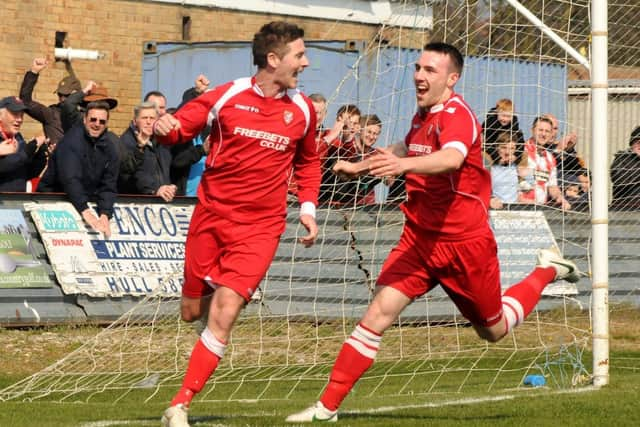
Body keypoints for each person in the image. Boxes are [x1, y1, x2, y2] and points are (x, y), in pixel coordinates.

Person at [286, 42, 580, 423]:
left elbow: (452, 157)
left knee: (494, 331)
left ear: (452, 78)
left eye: (430, 70)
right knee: (377, 313)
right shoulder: (422, 114)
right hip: (420, 239)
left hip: (464, 245)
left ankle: (546, 270)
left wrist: (403, 165)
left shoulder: (459, 116)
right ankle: (326, 408)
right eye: (418, 67)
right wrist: (362, 168)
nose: (420, 76)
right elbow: (405, 145)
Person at [153, 21, 320, 427]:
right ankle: (207, 335)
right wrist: (166, 127)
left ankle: (180, 404)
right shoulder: (227, 95)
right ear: (273, 59)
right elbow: (181, 126)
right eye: (299, 55)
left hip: (261, 227)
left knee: (226, 311)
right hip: (211, 218)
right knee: (192, 312)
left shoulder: (302, 109)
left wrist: (308, 210)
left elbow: (310, 161)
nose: (306, 62)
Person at [37, 101, 119, 238]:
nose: (97, 124)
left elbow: (109, 184)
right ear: (85, 119)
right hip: (53, 199)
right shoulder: (70, 142)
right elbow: (70, 179)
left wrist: (105, 214)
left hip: (81, 200)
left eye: (102, 121)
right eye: (93, 119)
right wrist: (85, 211)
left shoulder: (110, 148)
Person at [119, 101, 176, 201]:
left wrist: (170, 187)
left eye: (152, 118)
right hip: (136, 202)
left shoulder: (162, 141)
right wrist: (154, 190)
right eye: (144, 118)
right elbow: (134, 174)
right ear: (135, 121)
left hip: (163, 199)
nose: (149, 122)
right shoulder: (126, 142)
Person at [19, 57, 81, 146]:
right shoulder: (51, 114)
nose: (62, 99)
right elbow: (25, 101)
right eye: (60, 95)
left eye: (67, 95)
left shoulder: (87, 116)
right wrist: (34, 72)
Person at [519, 116, 572, 210]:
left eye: (547, 131)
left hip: (541, 209)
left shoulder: (550, 158)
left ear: (551, 134)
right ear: (532, 130)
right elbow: (511, 182)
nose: (543, 134)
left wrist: (559, 197)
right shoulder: (520, 151)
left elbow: (552, 186)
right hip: (520, 207)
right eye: (540, 130)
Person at [0, 96, 48, 192]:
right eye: (15, 114)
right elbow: (3, 167)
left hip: (19, 200)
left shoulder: (18, 137)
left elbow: (26, 173)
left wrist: (41, 155)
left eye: (21, 115)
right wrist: (27, 152)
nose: (20, 119)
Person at [482, 98, 525, 164]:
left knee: (524, 155)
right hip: (490, 148)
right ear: (497, 113)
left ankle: (522, 172)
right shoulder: (490, 122)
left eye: (509, 116)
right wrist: (497, 158)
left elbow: (520, 141)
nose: (505, 119)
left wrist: (515, 155)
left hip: (506, 148)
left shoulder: (514, 122)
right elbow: (487, 143)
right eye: (503, 115)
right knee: (486, 158)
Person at [486, 132, 521, 209]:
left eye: (511, 148)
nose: (507, 152)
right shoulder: (490, 167)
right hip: (495, 208)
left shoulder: (517, 166)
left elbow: (528, 186)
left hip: (515, 208)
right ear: (497, 147)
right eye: (504, 147)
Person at [610, 126, 640, 209]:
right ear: (632, 144)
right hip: (626, 207)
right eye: (638, 142)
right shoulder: (622, 158)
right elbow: (619, 179)